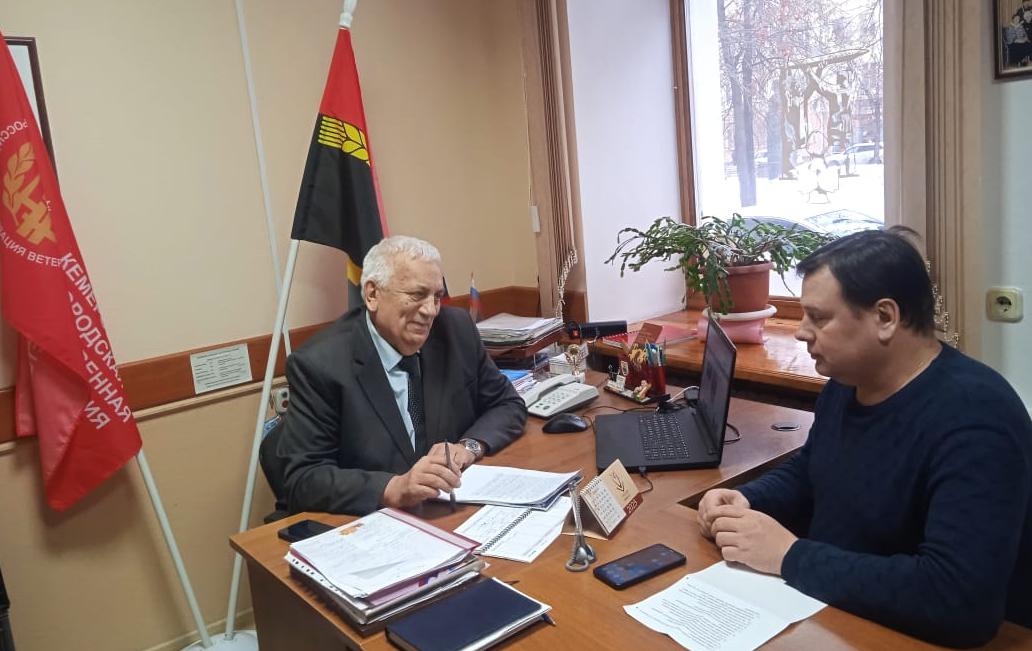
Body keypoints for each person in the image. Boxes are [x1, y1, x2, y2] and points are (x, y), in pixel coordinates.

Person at [697, 228, 1032, 647]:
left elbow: (960, 603)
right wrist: (748, 498)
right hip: (834, 612)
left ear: (885, 318)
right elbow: (813, 470)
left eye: (819, 318)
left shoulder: (977, 420)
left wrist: (789, 556)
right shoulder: (848, 382)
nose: (801, 332)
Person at [272, 235, 527, 515]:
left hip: (448, 508)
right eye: (417, 295)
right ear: (372, 295)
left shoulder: (455, 330)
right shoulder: (320, 365)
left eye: (437, 297)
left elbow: (508, 404)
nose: (430, 310)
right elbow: (303, 479)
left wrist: (468, 447)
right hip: (371, 522)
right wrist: (392, 488)